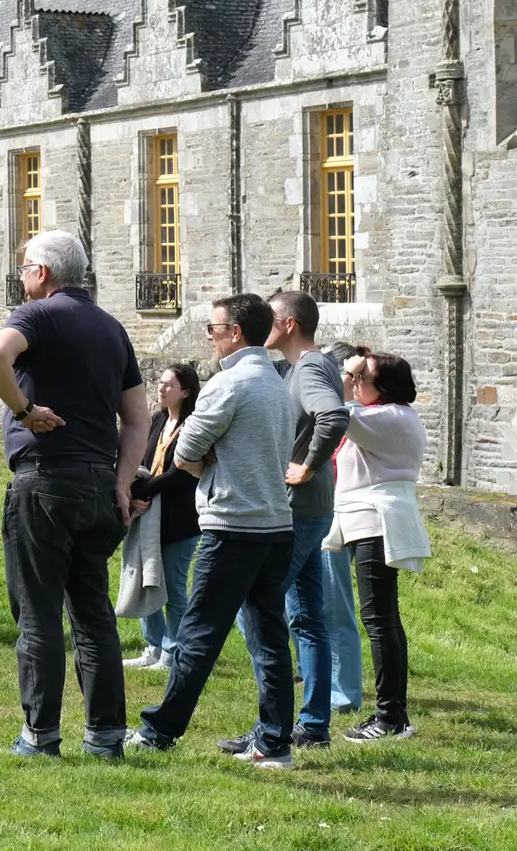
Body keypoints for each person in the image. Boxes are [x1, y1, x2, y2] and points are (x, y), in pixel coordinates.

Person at [0, 230, 147, 760]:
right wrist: (122, 482)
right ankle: (105, 737)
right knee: (93, 616)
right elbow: (137, 418)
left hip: (46, 480)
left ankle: (40, 735)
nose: (21, 276)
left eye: (24, 267)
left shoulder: (37, 316)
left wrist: (26, 411)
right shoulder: (112, 328)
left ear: (43, 273)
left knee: (39, 613)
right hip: (99, 485)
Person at [127, 292, 299, 769]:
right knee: (269, 636)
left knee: (199, 634)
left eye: (213, 328)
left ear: (235, 333)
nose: (209, 336)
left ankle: (159, 732)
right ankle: (274, 741)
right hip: (276, 526)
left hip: (233, 526)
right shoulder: (278, 383)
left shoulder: (228, 384)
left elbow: (184, 453)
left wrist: (211, 464)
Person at [221, 290, 349, 752]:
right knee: (307, 618)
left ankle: (271, 726)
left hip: (299, 509)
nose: (264, 325)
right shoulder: (304, 366)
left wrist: (309, 465)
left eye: (271, 318)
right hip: (310, 509)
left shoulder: (310, 368)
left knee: (255, 609)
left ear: (289, 324)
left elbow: (333, 417)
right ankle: (313, 725)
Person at [328, 350, 431, 743]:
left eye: (363, 377)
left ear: (384, 386)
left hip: (375, 523)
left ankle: (391, 718)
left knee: (379, 621)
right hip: (373, 522)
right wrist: (358, 373)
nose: (355, 383)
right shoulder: (391, 416)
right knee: (385, 620)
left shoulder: (387, 417)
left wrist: (346, 370)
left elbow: (334, 411)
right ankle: (393, 713)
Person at [123, 362, 203, 671]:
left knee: (172, 585)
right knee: (146, 581)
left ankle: (174, 652)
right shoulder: (157, 420)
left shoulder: (193, 425)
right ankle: (153, 647)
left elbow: (181, 473)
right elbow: (141, 461)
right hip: (149, 516)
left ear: (185, 392)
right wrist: (134, 492)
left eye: (170, 384)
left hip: (180, 519)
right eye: (160, 382)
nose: (161, 387)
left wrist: (142, 490)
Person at [320, 340, 369, 714]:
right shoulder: (332, 414)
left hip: (339, 516)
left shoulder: (357, 418)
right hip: (320, 512)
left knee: (335, 605)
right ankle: (317, 675)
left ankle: (344, 691)